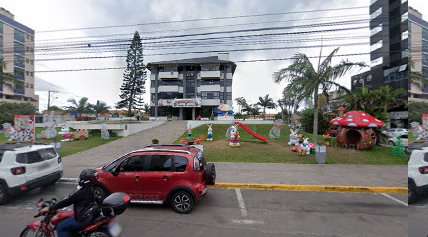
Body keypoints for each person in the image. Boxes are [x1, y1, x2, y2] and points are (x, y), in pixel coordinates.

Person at [42, 169, 100, 237]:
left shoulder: (82, 192)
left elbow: (67, 201)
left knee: (61, 227)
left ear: (85, 180)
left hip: (84, 219)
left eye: (81, 178)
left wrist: (50, 208)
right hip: (93, 215)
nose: (80, 180)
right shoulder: (96, 188)